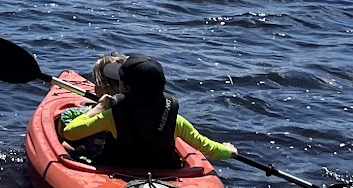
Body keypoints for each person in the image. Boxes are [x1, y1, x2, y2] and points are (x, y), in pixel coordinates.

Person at [57, 53, 236, 169]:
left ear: (125, 86)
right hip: (161, 173)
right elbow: (206, 146)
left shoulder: (112, 115)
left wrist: (99, 107)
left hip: (117, 169)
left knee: (73, 149)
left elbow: (70, 133)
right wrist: (228, 151)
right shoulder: (174, 119)